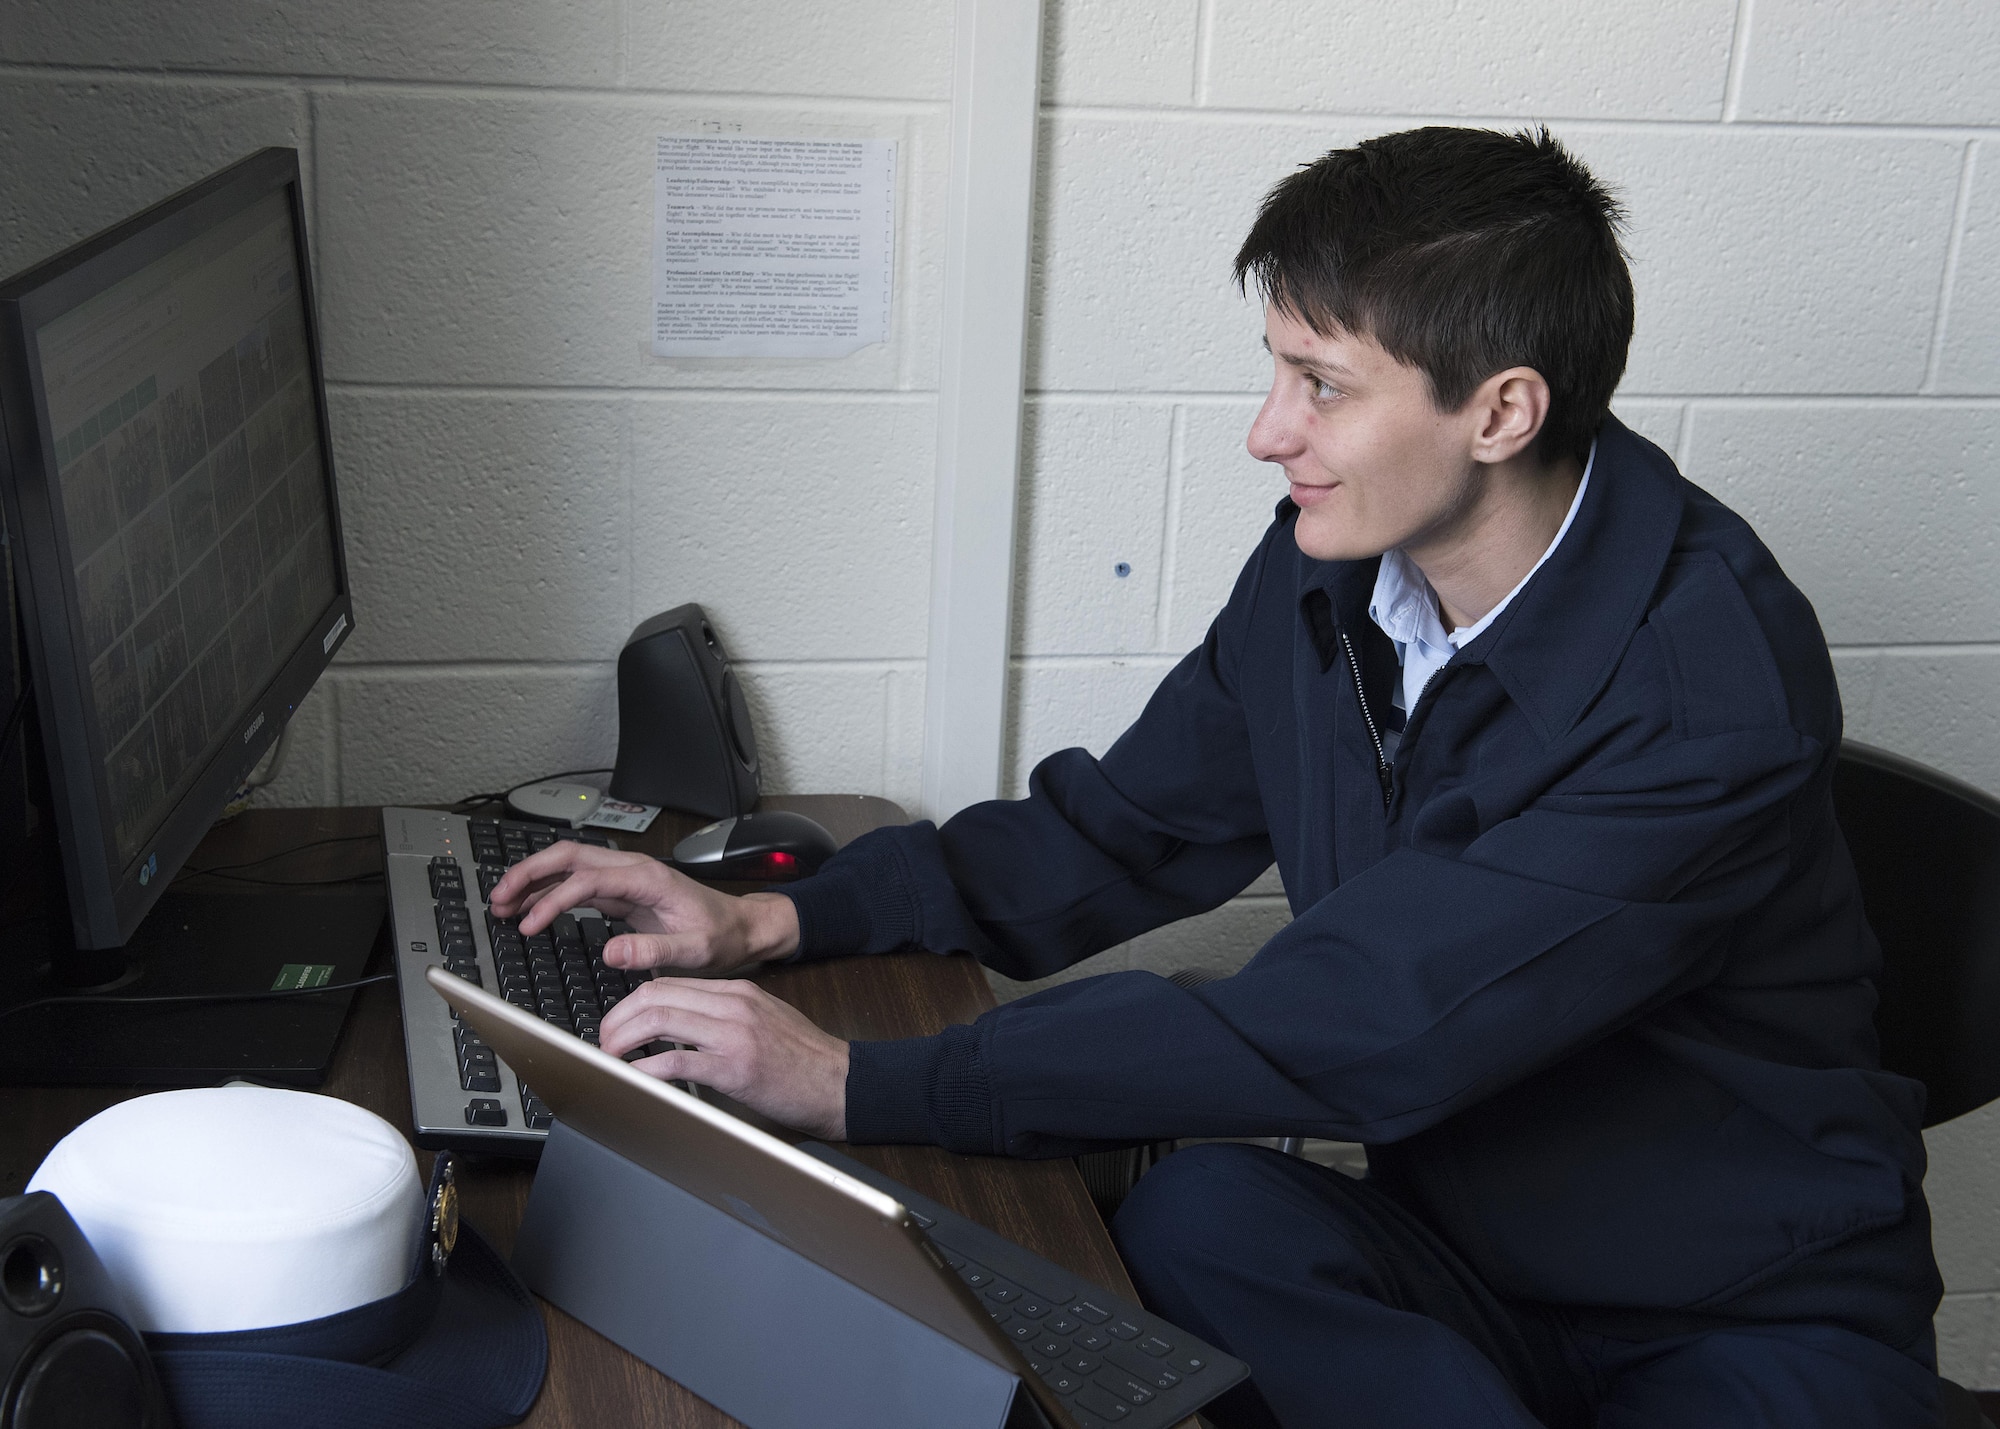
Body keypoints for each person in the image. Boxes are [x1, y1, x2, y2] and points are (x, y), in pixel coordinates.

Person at [488, 127, 1944, 1428]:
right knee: (1199, 1212)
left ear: (1499, 412)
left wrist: (862, 1082)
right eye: (1277, 369)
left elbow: (1368, 1023)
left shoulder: (1712, 688)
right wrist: (770, 917)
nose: (1269, 430)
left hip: (1747, 1318)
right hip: (1471, 1262)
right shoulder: (1334, 565)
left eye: (1320, 382)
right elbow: (1123, 830)